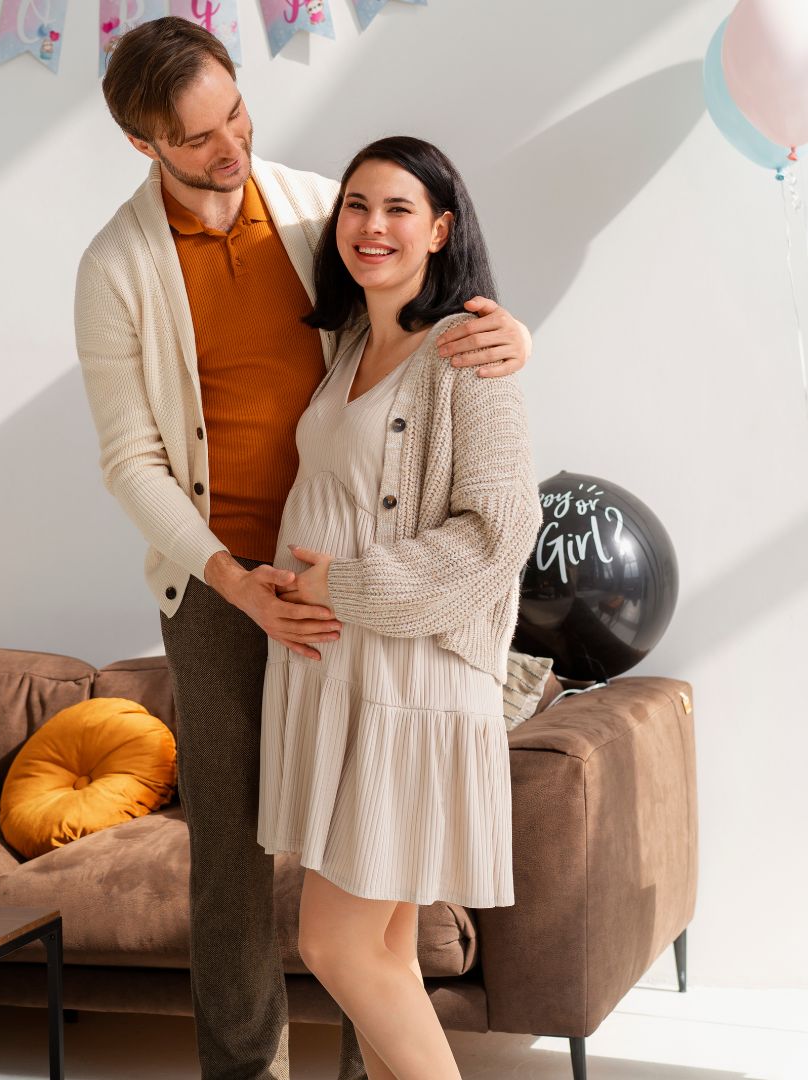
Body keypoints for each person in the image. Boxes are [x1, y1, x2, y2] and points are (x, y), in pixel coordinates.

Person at [74, 18, 534, 1080]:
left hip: (366, 586)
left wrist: (516, 334)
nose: (230, 149)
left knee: (365, 873)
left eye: (235, 113)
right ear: (147, 146)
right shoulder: (116, 268)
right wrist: (234, 581)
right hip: (225, 584)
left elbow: (420, 295)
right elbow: (130, 459)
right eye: (196, 139)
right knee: (236, 857)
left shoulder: (316, 208)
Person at [257, 136, 542, 1080]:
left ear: (441, 228)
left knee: (337, 947)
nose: (372, 228)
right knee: (380, 959)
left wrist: (342, 585)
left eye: (398, 210)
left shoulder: (464, 349)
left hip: (408, 683)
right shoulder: (348, 348)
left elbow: (500, 532)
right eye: (355, 207)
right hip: (347, 674)